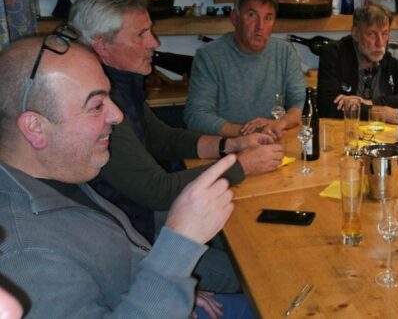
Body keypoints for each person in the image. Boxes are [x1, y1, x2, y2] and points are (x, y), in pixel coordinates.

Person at [0, 37, 249, 318]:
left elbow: (116, 267)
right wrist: (181, 242)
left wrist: (169, 289)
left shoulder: (57, 173)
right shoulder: (24, 255)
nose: (117, 115)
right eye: (96, 105)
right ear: (35, 127)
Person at [69, 0, 282, 292]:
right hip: (133, 239)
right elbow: (158, 190)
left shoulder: (118, 85)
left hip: (143, 215)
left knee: (251, 235)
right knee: (255, 270)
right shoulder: (99, 106)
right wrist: (242, 165)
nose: (154, 42)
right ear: (102, 46)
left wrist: (231, 144)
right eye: (141, 34)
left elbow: (164, 138)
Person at [185, 0, 307, 138]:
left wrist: (279, 124)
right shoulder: (209, 56)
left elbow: (299, 102)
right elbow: (196, 115)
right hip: (229, 143)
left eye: (268, 18)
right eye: (252, 15)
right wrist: (246, 132)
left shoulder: (285, 52)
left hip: (273, 139)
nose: (260, 26)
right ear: (234, 18)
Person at [317, 3, 398, 121]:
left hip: (387, 130)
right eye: (371, 34)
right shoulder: (334, 53)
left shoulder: (396, 52)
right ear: (355, 33)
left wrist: (371, 103)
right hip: (347, 130)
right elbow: (327, 107)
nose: (380, 43)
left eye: (384, 33)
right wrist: (380, 113)